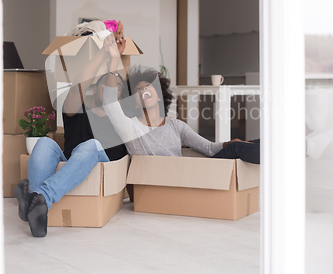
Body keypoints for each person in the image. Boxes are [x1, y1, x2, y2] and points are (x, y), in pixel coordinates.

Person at [14, 22, 128, 238]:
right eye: (105, 82)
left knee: (92, 146)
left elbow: (114, 88)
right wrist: (104, 52)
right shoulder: (80, 109)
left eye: (117, 85)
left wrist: (114, 60)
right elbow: (79, 84)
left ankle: (37, 197)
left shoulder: (120, 120)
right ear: (95, 88)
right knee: (44, 143)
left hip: (100, 167)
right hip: (72, 166)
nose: (112, 86)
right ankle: (39, 211)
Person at [102, 35, 260, 163]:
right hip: (161, 184)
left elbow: (210, 149)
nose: (143, 90)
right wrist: (114, 60)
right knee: (237, 149)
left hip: (183, 177)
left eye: (148, 86)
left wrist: (229, 143)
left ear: (159, 96)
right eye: (138, 89)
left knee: (250, 144)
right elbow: (109, 103)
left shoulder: (176, 126)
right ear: (134, 103)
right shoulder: (131, 128)